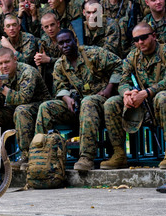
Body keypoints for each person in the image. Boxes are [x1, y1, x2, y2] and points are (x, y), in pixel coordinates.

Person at [35, 29, 123, 171]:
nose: (65, 45)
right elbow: (59, 87)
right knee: (46, 107)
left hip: (103, 101)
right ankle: (41, 157)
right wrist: (66, 98)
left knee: (88, 102)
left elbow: (120, 65)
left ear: (75, 40)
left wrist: (109, 88)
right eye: (61, 43)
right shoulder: (60, 65)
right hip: (79, 105)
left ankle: (86, 157)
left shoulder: (93, 54)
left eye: (67, 41)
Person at [102, 22, 166, 170]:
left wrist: (146, 93)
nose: (140, 42)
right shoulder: (132, 56)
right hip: (143, 105)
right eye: (136, 40)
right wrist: (127, 93)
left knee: (163, 97)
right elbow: (123, 81)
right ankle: (119, 154)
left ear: (153, 36)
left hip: (164, 102)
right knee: (111, 103)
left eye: (144, 37)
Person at [0, 47, 51, 160]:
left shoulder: (27, 71)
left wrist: (1, 88)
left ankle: (26, 155)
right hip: (16, 110)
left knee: (21, 110)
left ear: (14, 59)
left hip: (39, 108)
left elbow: (24, 98)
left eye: (7, 62)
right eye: (0, 63)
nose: (4, 66)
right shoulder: (1, 75)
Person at [35, 12, 62, 94]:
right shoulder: (44, 40)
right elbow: (42, 59)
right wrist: (38, 60)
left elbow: (70, 60)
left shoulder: (65, 36)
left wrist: (49, 60)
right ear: (43, 28)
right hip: (50, 75)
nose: (50, 29)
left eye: (52, 25)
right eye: (46, 27)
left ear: (58, 24)